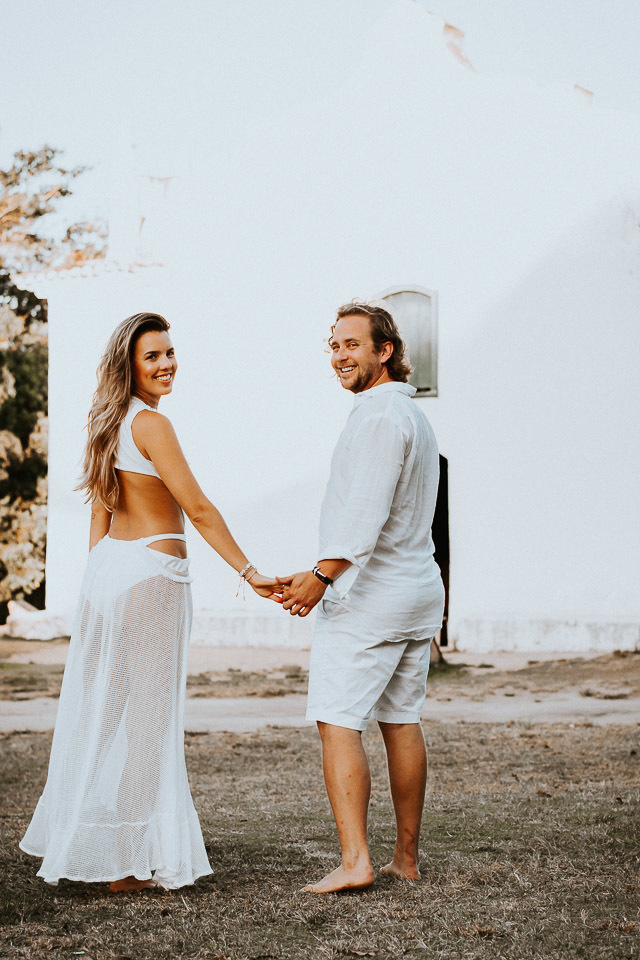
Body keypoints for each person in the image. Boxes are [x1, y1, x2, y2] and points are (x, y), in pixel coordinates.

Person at [20, 312, 279, 892]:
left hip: (112, 568)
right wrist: (249, 572)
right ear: (129, 366)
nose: (166, 365)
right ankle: (128, 860)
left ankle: (87, 841)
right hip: (152, 574)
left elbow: (99, 510)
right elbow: (199, 508)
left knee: (104, 716)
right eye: (152, 357)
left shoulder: (109, 422)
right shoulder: (152, 426)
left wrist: (94, 586)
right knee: (147, 721)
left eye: (169, 353)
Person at [278, 301, 445, 894]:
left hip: (372, 597)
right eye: (334, 344)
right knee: (400, 719)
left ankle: (355, 862)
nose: (340, 355)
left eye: (353, 344)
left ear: (386, 351)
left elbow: (365, 517)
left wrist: (318, 579)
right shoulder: (414, 418)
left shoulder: (378, 417)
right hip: (416, 590)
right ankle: (406, 857)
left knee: (337, 718)